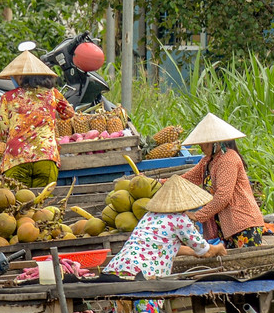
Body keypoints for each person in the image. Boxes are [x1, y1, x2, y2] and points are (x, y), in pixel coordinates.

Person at [107, 176, 227, 278]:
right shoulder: (180, 220)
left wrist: (193, 251)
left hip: (116, 270)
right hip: (144, 276)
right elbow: (206, 252)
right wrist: (219, 248)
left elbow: (160, 245)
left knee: (122, 305)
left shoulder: (149, 215)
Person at [179, 114, 265, 249]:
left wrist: (198, 215)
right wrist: (158, 182)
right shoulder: (208, 161)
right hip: (226, 228)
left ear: (215, 142)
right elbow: (187, 179)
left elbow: (223, 197)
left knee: (246, 266)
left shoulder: (228, 160)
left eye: (203, 142)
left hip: (243, 224)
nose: (200, 146)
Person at [0, 50, 74, 188]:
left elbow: (4, 134)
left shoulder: (7, 98)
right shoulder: (53, 94)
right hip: (46, 158)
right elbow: (69, 113)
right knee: (42, 206)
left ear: (20, 77)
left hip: (15, 160)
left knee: (15, 205)